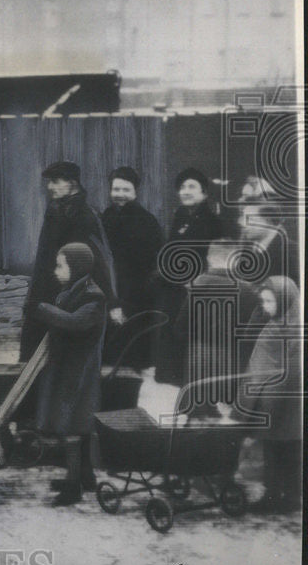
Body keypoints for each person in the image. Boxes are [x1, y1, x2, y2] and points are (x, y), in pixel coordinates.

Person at [31, 243, 106, 506]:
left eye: (60, 265)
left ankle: (73, 486)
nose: (55, 271)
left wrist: (42, 309)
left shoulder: (93, 297)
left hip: (79, 371)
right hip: (68, 367)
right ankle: (85, 476)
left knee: (73, 425)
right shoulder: (73, 290)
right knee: (76, 423)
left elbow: (75, 322)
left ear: (77, 267)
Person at [20, 161, 115, 362]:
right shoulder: (55, 210)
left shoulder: (86, 215)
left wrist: (111, 300)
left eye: (55, 182)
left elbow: (100, 258)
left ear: (72, 183)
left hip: (71, 294)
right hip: (47, 287)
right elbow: (43, 258)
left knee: (65, 355)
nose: (50, 187)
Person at [153, 167, 225, 385]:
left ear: (204, 193)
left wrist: (197, 279)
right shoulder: (180, 216)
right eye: (182, 187)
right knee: (170, 328)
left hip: (195, 287)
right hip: (173, 285)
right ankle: (169, 375)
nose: (185, 191)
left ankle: (187, 379)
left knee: (188, 331)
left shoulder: (213, 222)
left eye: (191, 187)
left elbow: (215, 257)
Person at [243, 276, 302, 513]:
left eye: (269, 301)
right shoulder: (290, 319)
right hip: (287, 400)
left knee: (276, 449)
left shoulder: (281, 327)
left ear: (284, 299)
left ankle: (275, 497)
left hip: (276, 399)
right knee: (289, 449)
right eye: (263, 302)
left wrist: (259, 406)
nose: (265, 307)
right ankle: (291, 496)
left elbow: (273, 369)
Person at [169, 241, 260, 395]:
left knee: (197, 397)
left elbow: (182, 324)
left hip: (199, 351)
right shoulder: (247, 289)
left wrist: (183, 336)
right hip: (231, 354)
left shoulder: (197, 284)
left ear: (209, 259)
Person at [100, 167, 164, 369]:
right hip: (110, 292)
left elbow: (154, 264)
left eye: (125, 190)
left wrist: (123, 303)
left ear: (135, 192)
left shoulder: (147, 222)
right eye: (116, 189)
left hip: (136, 296)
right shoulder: (106, 217)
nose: (119, 195)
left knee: (131, 355)